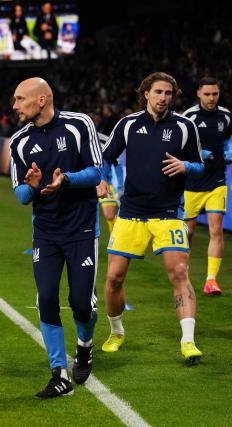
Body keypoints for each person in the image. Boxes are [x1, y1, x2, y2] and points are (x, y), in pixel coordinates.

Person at [101, 72, 205, 364]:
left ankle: (188, 341)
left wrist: (186, 166)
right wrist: (102, 181)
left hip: (169, 213)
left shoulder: (185, 127)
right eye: (158, 92)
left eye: (168, 94)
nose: (163, 98)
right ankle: (116, 331)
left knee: (180, 273)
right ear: (145, 93)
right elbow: (106, 158)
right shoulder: (128, 124)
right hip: (131, 213)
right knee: (114, 277)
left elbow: (198, 166)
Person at [10, 77, 102, 398]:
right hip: (46, 233)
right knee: (46, 298)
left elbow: (96, 172)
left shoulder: (80, 124)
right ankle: (58, 373)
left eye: (20, 99)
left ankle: (85, 345)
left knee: (80, 303)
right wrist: (32, 187)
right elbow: (20, 196)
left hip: (82, 229)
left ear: (42, 100)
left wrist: (67, 181)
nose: (15, 106)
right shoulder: (19, 141)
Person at [182, 77, 232, 295]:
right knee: (189, 232)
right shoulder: (189, 117)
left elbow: (228, 141)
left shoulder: (227, 117)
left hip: (217, 182)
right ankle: (183, 271)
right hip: (192, 183)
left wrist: (228, 154)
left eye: (215, 94)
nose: (212, 98)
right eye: (207, 94)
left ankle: (211, 280)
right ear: (199, 94)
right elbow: (179, 146)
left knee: (216, 230)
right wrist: (200, 154)